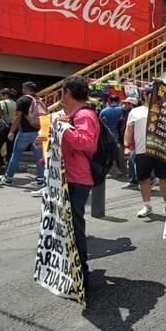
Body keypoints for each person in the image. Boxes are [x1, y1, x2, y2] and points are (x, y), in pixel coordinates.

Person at [57, 76, 100, 284]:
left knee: (74, 225)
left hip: (77, 178)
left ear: (67, 93)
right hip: (70, 175)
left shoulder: (84, 115)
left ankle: (80, 272)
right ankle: (72, 268)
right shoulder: (72, 116)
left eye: (61, 92)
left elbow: (86, 143)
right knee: (68, 224)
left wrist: (63, 130)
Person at [124, 92, 166, 218]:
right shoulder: (135, 112)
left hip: (160, 150)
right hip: (142, 150)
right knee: (144, 179)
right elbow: (129, 130)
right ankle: (147, 206)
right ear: (145, 96)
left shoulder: (164, 110)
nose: (156, 96)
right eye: (153, 94)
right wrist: (127, 147)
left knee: (164, 178)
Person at [0, 82, 45, 186]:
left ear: (25, 89)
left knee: (16, 155)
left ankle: (8, 178)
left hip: (25, 132)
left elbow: (17, 117)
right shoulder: (40, 100)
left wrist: (11, 131)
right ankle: (40, 179)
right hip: (39, 131)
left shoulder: (22, 100)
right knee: (39, 156)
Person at [0, 88, 16, 175]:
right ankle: (9, 169)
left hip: (3, 129)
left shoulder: (0, 103)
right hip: (14, 128)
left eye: (1, 95)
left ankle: (2, 165)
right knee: (11, 149)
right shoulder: (16, 103)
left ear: (5, 95)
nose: (0, 97)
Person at [99, 96, 125, 175]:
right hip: (119, 133)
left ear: (109, 101)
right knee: (120, 150)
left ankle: (114, 169)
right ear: (118, 101)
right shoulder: (121, 110)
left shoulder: (104, 111)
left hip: (108, 134)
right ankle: (122, 167)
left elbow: (100, 123)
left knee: (110, 151)